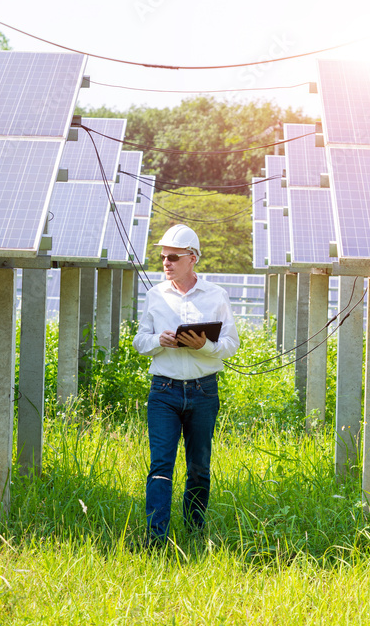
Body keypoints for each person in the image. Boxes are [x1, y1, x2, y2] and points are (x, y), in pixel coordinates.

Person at [132, 224, 240, 544]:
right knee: (160, 466)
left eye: (173, 257)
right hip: (163, 391)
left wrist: (202, 346)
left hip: (203, 391)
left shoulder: (216, 296)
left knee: (198, 468)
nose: (166, 263)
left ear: (192, 259)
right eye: (163, 257)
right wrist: (159, 340)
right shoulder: (155, 295)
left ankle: (194, 531)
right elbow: (140, 341)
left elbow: (231, 344)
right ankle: (156, 539)